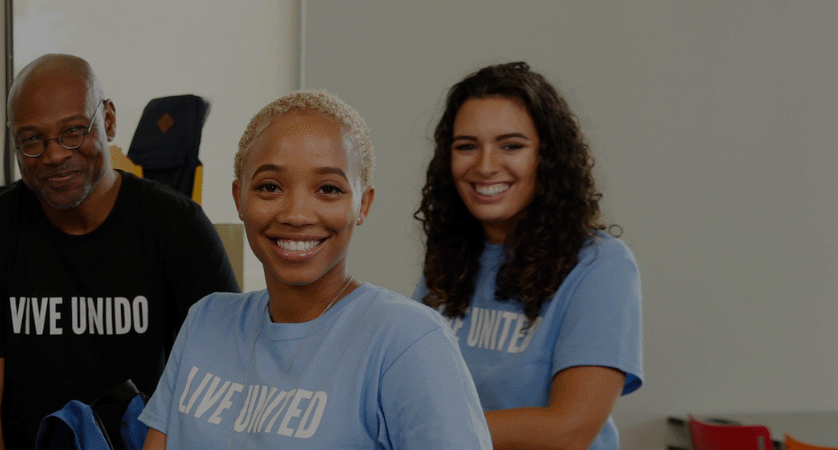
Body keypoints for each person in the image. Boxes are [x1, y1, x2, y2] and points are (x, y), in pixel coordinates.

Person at [137, 90, 490, 449]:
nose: (296, 214)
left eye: (328, 189)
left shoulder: (407, 340)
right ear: (239, 197)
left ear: (363, 204)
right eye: (270, 186)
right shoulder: (205, 321)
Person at [0, 53, 239, 450]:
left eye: (74, 131)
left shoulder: (177, 227)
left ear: (109, 120)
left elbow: (219, 390)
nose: (55, 154)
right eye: (31, 140)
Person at [414, 62, 642, 450]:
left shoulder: (601, 266)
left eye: (511, 146)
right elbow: (412, 392)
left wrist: (424, 428)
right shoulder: (449, 263)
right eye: (466, 146)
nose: (485, 166)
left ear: (547, 157)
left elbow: (569, 430)